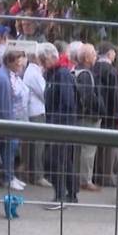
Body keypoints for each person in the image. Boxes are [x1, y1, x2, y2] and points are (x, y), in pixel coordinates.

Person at [40, 42, 79, 209]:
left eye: (43, 59)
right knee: (63, 159)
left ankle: (61, 196)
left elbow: (66, 102)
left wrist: (56, 123)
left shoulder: (61, 74)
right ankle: (70, 193)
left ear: (50, 57)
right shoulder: (53, 74)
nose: (41, 63)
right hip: (58, 123)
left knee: (54, 159)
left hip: (61, 124)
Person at [0, 48, 27, 191]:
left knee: (11, 149)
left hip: (12, 119)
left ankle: (10, 175)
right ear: (9, 62)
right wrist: (7, 125)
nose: (20, 66)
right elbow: (2, 104)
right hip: (7, 121)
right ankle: (7, 177)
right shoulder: (2, 78)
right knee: (8, 149)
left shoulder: (6, 76)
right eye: (18, 64)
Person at [73, 43, 105, 191]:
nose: (96, 56)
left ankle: (79, 178)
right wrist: (100, 108)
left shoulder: (76, 71)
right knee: (88, 150)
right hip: (88, 118)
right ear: (86, 57)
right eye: (93, 54)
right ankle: (85, 180)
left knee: (81, 149)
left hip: (80, 116)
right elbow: (87, 97)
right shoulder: (86, 74)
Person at [93, 41, 118, 187]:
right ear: (110, 53)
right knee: (110, 146)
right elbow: (115, 95)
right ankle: (107, 177)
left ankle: (96, 174)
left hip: (97, 111)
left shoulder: (94, 67)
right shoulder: (111, 70)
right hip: (111, 113)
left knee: (97, 146)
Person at [22, 49, 50, 187]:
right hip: (36, 112)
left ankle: (33, 173)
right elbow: (45, 93)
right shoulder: (34, 73)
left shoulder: (33, 72)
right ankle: (37, 175)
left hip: (35, 111)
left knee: (36, 146)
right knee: (38, 146)